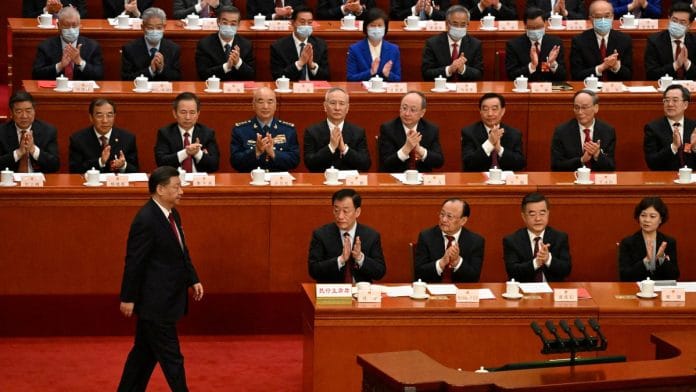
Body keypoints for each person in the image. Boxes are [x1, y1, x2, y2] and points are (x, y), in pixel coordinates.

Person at [117, 166, 204, 392]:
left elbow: (182, 251)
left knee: (143, 356)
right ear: (160, 189)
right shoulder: (145, 220)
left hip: (167, 298)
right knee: (172, 359)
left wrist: (192, 279)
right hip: (156, 303)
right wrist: (128, 298)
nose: (181, 192)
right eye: (176, 187)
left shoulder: (172, 214)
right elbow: (134, 263)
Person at [308, 188, 386, 283]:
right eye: (336, 210)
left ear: (357, 212)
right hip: (333, 293)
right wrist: (340, 260)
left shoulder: (371, 236)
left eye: (345, 211)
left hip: (361, 293)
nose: (340, 216)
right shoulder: (321, 235)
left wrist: (360, 258)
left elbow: (380, 272)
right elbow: (313, 270)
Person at [503, 192, 571, 282]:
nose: (538, 218)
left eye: (542, 213)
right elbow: (512, 271)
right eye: (532, 214)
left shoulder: (559, 237)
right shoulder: (512, 240)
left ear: (548, 214)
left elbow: (566, 270)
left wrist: (548, 259)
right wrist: (536, 262)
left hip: (552, 291)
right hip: (524, 292)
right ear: (523, 216)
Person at [414, 198, 484, 283]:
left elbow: (474, 277)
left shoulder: (476, 241)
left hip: (460, 292)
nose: (444, 220)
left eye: (449, 216)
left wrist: (457, 261)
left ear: (463, 220)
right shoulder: (426, 236)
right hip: (433, 291)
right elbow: (419, 273)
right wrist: (442, 262)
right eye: (442, 214)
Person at [231, 87, 300, 172]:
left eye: (270, 102)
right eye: (260, 102)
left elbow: (295, 161)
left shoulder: (288, 130)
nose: (265, 106)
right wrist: (256, 152)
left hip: (278, 181)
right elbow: (235, 162)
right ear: (253, 105)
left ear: (275, 106)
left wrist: (273, 153)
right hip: (250, 180)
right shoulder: (240, 130)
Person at [303, 87, 371, 172]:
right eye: (333, 103)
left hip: (348, 182)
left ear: (347, 108)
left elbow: (365, 164)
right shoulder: (312, 132)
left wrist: (345, 150)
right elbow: (309, 164)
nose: (337, 108)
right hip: (321, 181)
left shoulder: (358, 132)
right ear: (325, 106)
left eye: (342, 103)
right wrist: (331, 147)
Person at [551, 89, 616, 171]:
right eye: (576, 107)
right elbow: (556, 166)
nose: (580, 112)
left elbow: (611, 167)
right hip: (571, 179)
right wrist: (581, 160)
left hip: (597, 180)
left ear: (596, 108)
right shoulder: (562, 131)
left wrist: (597, 155)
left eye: (584, 107)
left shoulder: (608, 131)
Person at [32, 6, 103, 81]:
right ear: (59, 26)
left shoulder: (92, 46)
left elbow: (99, 75)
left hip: (81, 91)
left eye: (74, 25)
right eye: (66, 26)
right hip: (54, 91)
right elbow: (36, 74)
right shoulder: (45, 46)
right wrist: (60, 66)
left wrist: (80, 62)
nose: (71, 30)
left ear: (80, 25)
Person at [378, 91, 444, 172]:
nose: (407, 113)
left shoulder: (431, 129)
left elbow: (439, 162)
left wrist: (420, 151)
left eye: (413, 110)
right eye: (404, 108)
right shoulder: (388, 129)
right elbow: (385, 164)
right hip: (396, 178)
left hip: (422, 180)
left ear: (422, 113)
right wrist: (406, 149)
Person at [155, 92, 221, 173]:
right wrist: (186, 153)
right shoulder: (165, 133)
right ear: (174, 114)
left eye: (192, 112)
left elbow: (214, 165)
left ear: (198, 114)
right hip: (175, 180)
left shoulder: (207, 133)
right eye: (183, 112)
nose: (187, 117)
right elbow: (161, 163)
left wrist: (197, 153)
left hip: (199, 180)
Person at [69, 99, 139, 174]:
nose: (105, 120)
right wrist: (100, 162)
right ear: (91, 117)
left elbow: (135, 170)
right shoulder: (78, 139)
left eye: (109, 115)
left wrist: (123, 165)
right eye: (99, 116)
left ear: (114, 116)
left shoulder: (127, 138)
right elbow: (74, 171)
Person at [619, 197, 679, 282]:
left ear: (660, 219)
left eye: (652, 216)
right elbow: (624, 277)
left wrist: (662, 259)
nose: (646, 220)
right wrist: (645, 261)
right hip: (636, 290)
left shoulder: (669, 242)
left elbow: (674, 276)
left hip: (660, 290)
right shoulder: (628, 243)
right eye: (643, 215)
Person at [461, 92, 525, 171]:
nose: (490, 114)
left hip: (506, 181)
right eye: (485, 109)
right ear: (480, 111)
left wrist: (499, 149)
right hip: (479, 180)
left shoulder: (514, 133)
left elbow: (520, 164)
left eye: (494, 109)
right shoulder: (469, 132)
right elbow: (468, 164)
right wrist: (489, 143)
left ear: (503, 111)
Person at [570, 0, 632, 81]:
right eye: (598, 17)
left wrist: (616, 66)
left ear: (612, 17)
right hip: (589, 89)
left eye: (607, 16)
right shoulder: (579, 41)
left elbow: (629, 75)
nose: (603, 20)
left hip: (615, 89)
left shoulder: (624, 40)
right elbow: (576, 76)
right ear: (591, 19)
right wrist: (601, 68)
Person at [0, 91, 60, 173]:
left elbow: (54, 165)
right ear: (11, 113)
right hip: (11, 181)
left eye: (28, 111)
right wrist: (18, 153)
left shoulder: (48, 131)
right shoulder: (2, 132)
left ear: (34, 111)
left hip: (38, 182)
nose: (24, 116)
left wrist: (33, 149)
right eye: (19, 111)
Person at [421, 5, 483, 81]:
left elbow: (479, 74)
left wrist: (463, 69)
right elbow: (426, 74)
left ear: (467, 25)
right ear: (447, 24)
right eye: (455, 24)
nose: (459, 28)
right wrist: (449, 70)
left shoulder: (475, 44)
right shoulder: (432, 43)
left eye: (463, 25)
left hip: (464, 89)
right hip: (441, 89)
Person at [505, 7, 567, 82]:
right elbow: (511, 75)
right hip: (526, 88)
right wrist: (532, 66)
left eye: (538, 27)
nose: (535, 31)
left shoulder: (555, 43)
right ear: (525, 26)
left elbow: (563, 76)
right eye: (531, 28)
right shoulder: (514, 45)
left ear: (545, 23)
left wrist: (552, 63)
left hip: (549, 89)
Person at [195, 5, 255, 81]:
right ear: (218, 22)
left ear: (238, 25)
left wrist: (238, 63)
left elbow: (251, 75)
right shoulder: (204, 44)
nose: (228, 26)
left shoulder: (246, 45)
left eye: (233, 24)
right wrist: (226, 66)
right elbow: (203, 75)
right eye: (225, 22)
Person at [270, 6, 330, 81]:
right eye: (302, 22)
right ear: (292, 23)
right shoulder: (278, 47)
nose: (306, 26)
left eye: (309, 22)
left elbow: (326, 77)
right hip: (290, 89)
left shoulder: (320, 45)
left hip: (314, 89)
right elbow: (278, 77)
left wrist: (312, 66)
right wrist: (299, 63)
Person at [121, 7, 182, 81]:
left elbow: (177, 78)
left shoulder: (174, 49)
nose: (154, 31)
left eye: (159, 28)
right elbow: (126, 78)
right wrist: (150, 71)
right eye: (150, 28)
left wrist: (162, 69)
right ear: (142, 27)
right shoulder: (129, 49)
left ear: (164, 27)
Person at [644, 84, 696, 170]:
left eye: (675, 100)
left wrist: (694, 148)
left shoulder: (694, 127)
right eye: (666, 100)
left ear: (685, 104)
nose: (670, 104)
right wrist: (674, 147)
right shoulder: (653, 128)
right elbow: (652, 163)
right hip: (666, 178)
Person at [346, 8, 402, 82]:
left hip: (385, 91)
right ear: (366, 27)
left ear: (385, 28)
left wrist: (388, 74)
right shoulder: (354, 49)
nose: (376, 29)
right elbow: (350, 78)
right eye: (372, 25)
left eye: (380, 25)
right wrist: (370, 72)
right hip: (363, 91)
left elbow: (398, 78)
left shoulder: (394, 49)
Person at [644, 3, 696, 80]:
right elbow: (651, 74)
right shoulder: (654, 41)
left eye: (682, 22)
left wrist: (687, 63)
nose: (677, 25)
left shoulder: (694, 41)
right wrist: (676, 65)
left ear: (690, 25)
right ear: (669, 19)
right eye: (674, 21)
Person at [23, 0, 87, 18]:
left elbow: (83, 14)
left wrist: (66, 12)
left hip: (68, 30)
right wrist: (46, 10)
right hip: (39, 32)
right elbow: (26, 16)